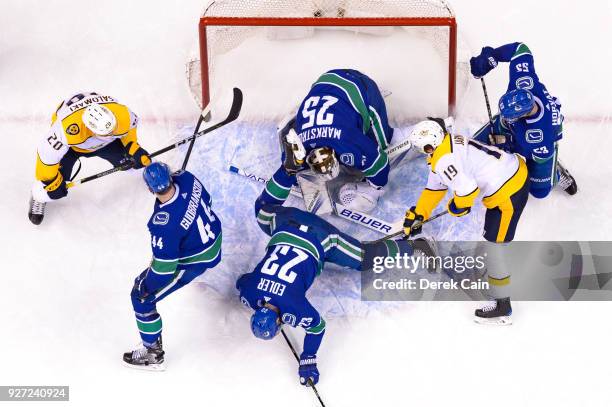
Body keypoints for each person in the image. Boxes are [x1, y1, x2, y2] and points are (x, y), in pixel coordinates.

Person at [236, 165, 432, 385]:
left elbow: (317, 327)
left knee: (364, 259)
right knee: (263, 208)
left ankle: (413, 247)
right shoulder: (249, 292)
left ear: (280, 321)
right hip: (286, 223)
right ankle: (288, 169)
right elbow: (242, 282)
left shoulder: (294, 307)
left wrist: (308, 359)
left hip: (320, 236)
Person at [403, 119, 530, 325]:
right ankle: (497, 280)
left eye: (424, 147)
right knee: (493, 240)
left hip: (509, 193)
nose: (423, 151)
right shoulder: (447, 143)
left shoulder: (444, 160)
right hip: (512, 172)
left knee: (494, 249)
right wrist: (420, 213)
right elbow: (435, 187)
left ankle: (502, 305)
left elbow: (467, 191)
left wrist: (457, 206)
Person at [123, 162, 222, 371]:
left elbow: (164, 269)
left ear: (150, 189)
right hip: (214, 237)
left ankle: (153, 354)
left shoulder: (163, 224)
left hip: (196, 259)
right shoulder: (187, 178)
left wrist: (146, 287)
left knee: (141, 297)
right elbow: (209, 200)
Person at [272, 68, 401, 213]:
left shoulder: (348, 143)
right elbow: (289, 167)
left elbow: (380, 163)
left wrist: (374, 188)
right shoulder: (302, 151)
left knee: (384, 144)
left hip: (358, 85)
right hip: (322, 83)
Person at [470, 42, 577, 198]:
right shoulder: (523, 81)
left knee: (539, 192)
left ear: (523, 115)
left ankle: (556, 175)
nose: (505, 120)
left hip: (542, 151)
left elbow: (536, 155)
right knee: (473, 147)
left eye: (509, 118)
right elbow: (520, 49)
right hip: (516, 132)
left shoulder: (541, 136)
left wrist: (505, 142)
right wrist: (491, 57)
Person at [29, 92, 151, 225]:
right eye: (106, 132)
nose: (112, 132)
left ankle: (153, 174)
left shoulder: (123, 114)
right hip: (72, 148)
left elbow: (130, 130)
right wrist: (51, 182)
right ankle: (38, 197)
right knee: (52, 185)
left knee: (133, 162)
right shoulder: (66, 130)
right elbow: (46, 156)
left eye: (113, 128)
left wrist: (132, 147)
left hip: (106, 144)